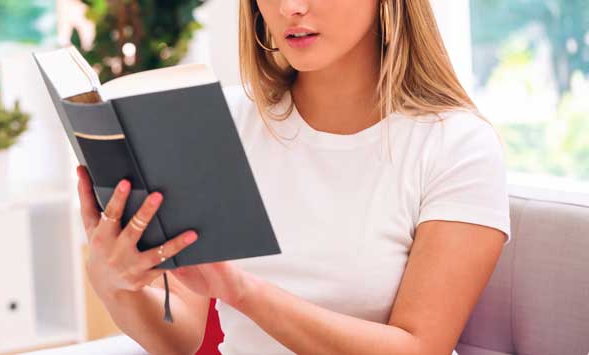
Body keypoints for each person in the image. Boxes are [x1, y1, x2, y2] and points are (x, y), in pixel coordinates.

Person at [75, 0, 511, 354]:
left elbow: (418, 349)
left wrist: (243, 292)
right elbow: (180, 334)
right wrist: (116, 285)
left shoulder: (457, 145)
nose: (290, 8)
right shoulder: (221, 123)